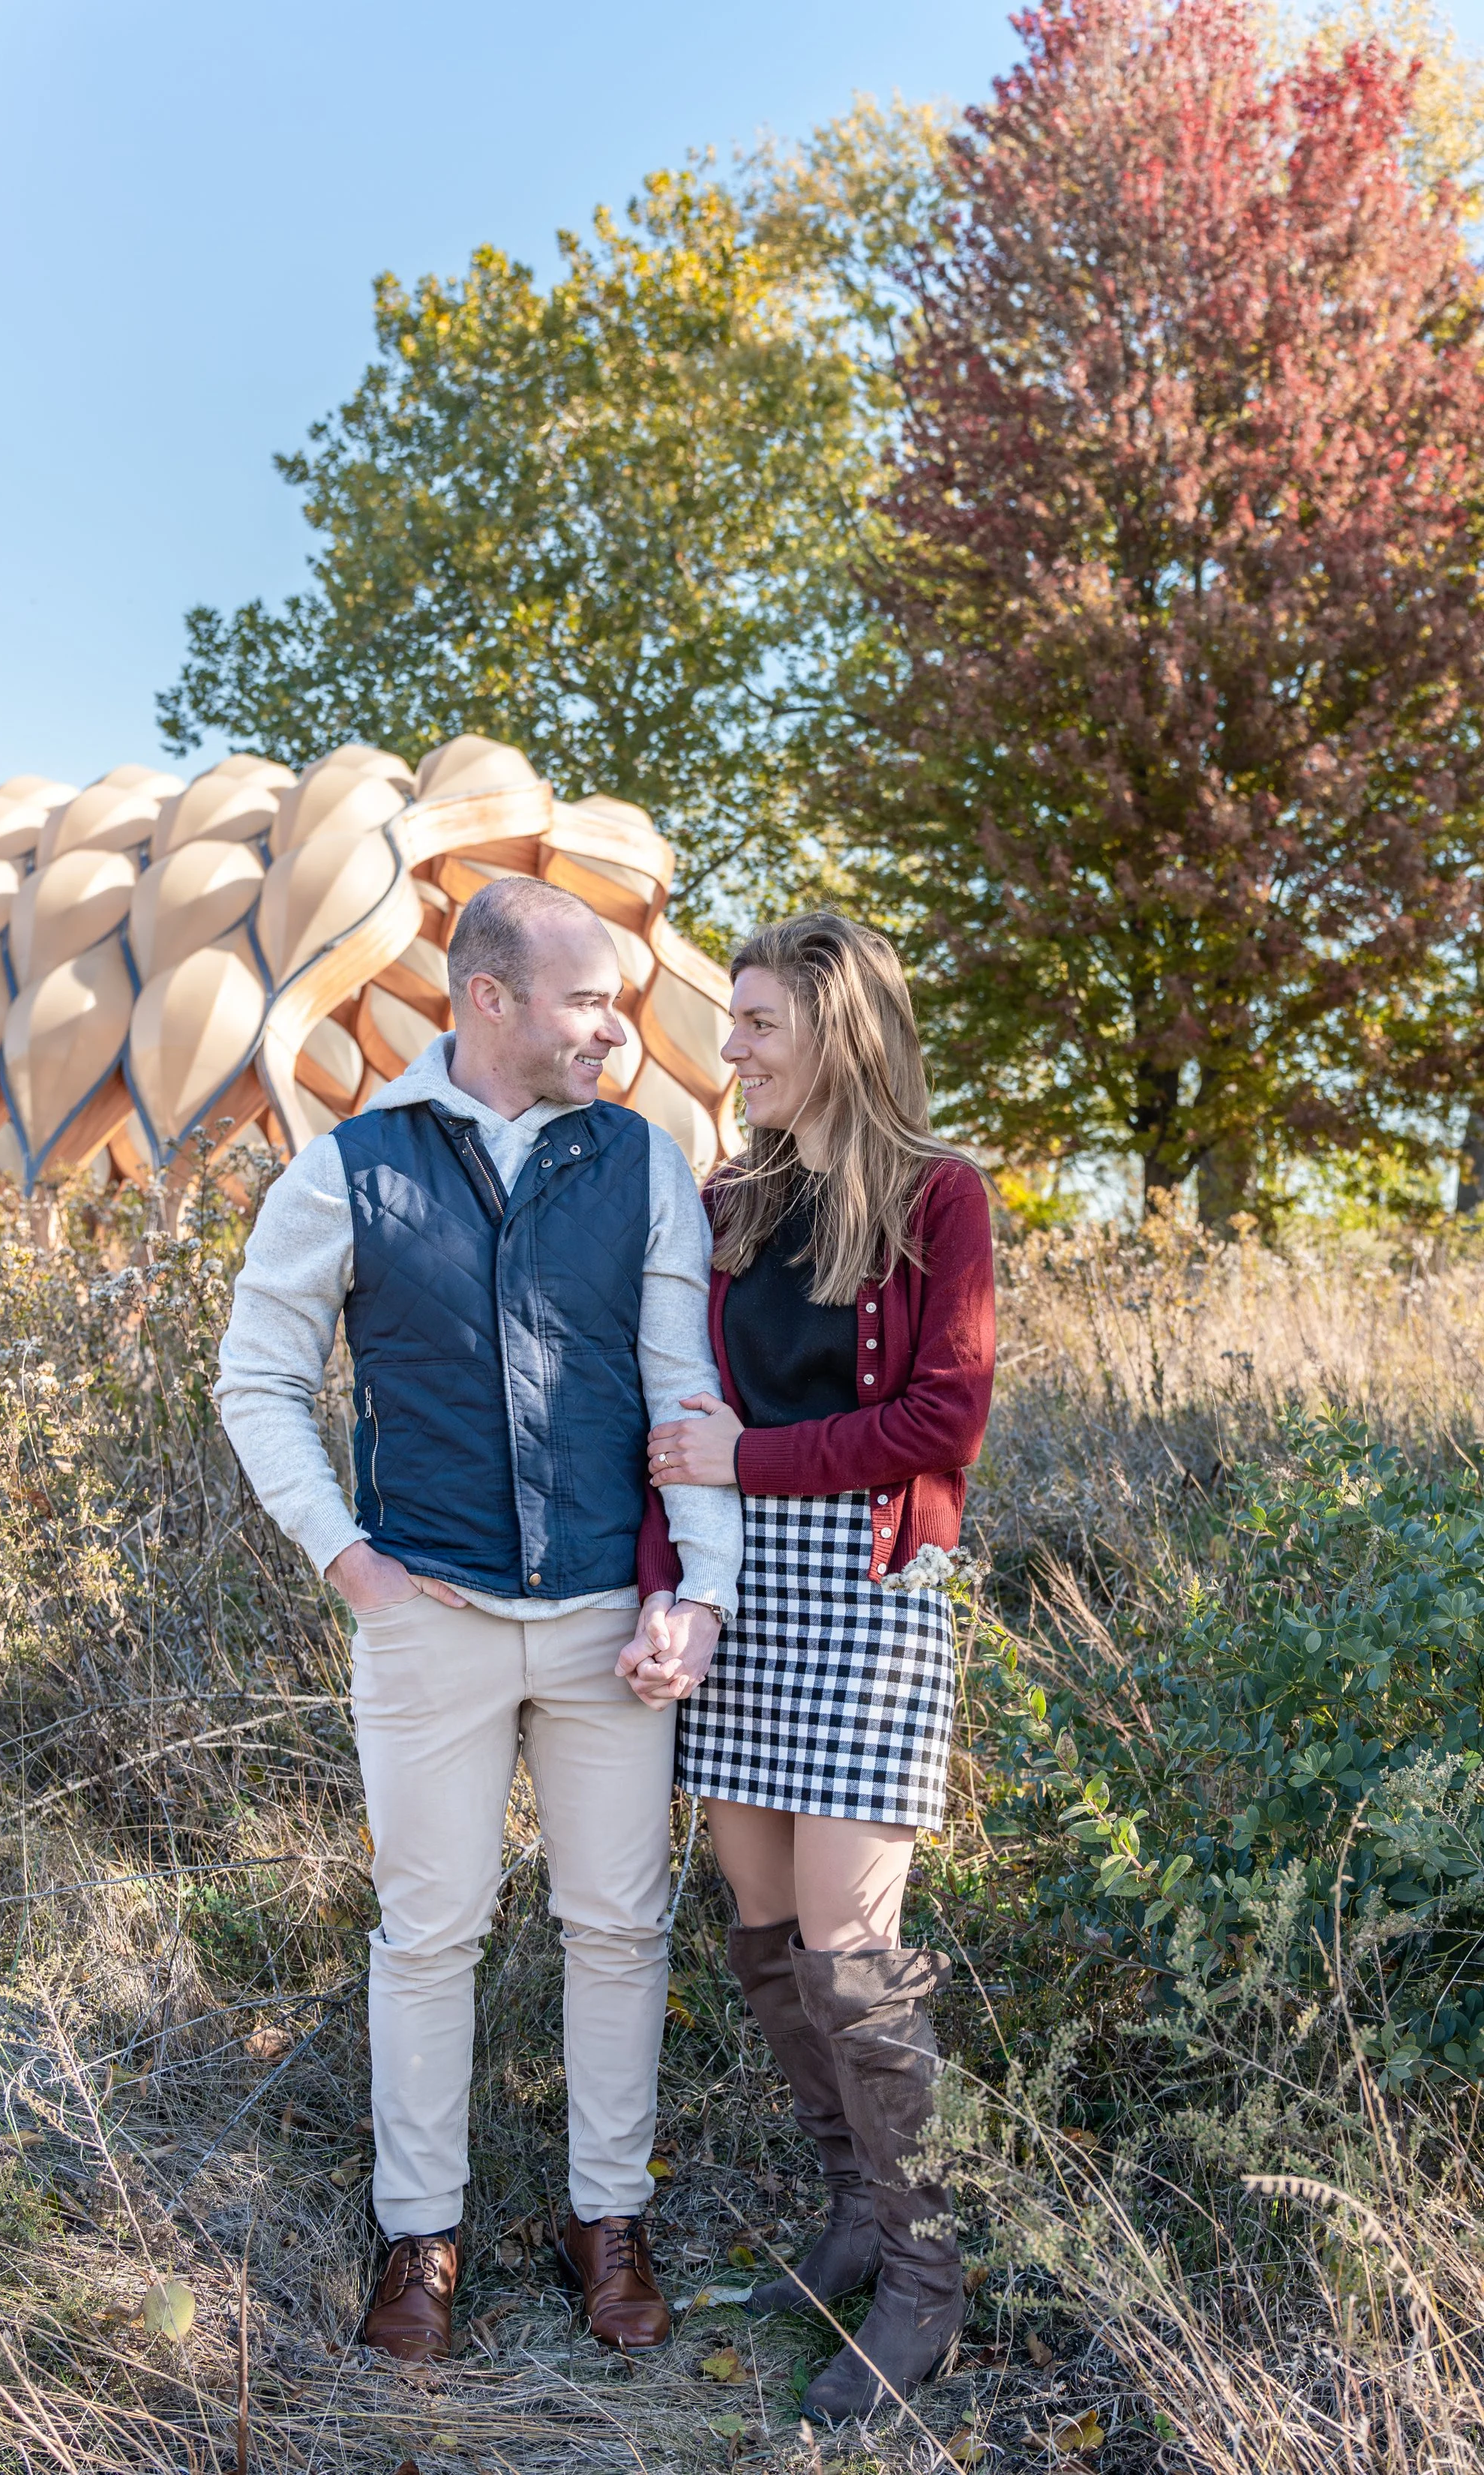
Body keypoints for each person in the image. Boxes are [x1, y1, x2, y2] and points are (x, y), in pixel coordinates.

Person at [215, 875, 741, 2362]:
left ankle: (604, 2219)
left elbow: (680, 1390)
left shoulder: (643, 1161)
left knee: (618, 1930)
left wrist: (694, 1591)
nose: (616, 1032)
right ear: (490, 998)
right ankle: (419, 2237)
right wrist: (351, 1566)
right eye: (588, 1001)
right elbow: (254, 1380)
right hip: (426, 1619)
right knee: (429, 1934)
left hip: (601, 1629)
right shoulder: (347, 1170)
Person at [635, 911, 994, 2423]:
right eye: (734, 1018)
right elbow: (666, 1426)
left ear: (837, 1031)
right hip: (737, 1587)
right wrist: (673, 1587)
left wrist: (754, 1454)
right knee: (767, 1929)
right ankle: (848, 2202)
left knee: (852, 1950)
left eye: (758, 1021)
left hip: (860, 1582)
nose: (730, 1046)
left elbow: (939, 1421)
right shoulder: (728, 1198)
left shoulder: (938, 1195)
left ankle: (923, 2276)